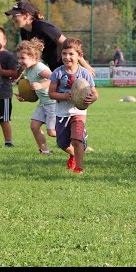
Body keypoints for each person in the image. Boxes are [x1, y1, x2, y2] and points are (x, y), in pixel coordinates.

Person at [5, 0, 95, 76]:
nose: (12, 18)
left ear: (26, 15)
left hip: (67, 65)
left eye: (15, 15)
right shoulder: (24, 31)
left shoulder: (42, 27)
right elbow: (27, 55)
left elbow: (67, 43)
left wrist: (84, 64)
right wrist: (19, 73)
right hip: (54, 67)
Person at [48, 38, 98, 174]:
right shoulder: (57, 73)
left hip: (78, 112)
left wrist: (91, 99)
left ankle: (79, 168)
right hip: (62, 113)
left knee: (76, 139)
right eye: (64, 54)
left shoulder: (84, 73)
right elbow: (51, 93)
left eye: (71, 54)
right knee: (62, 144)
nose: (67, 57)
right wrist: (65, 96)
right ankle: (74, 153)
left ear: (79, 56)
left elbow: (95, 94)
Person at [15, 38, 56, 155]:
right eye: (18, 58)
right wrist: (25, 97)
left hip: (53, 103)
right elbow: (32, 90)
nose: (20, 61)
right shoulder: (28, 69)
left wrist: (41, 85)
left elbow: (55, 78)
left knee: (52, 132)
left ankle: (78, 134)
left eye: (22, 58)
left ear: (33, 57)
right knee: (34, 126)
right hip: (43, 103)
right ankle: (45, 151)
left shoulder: (39, 68)